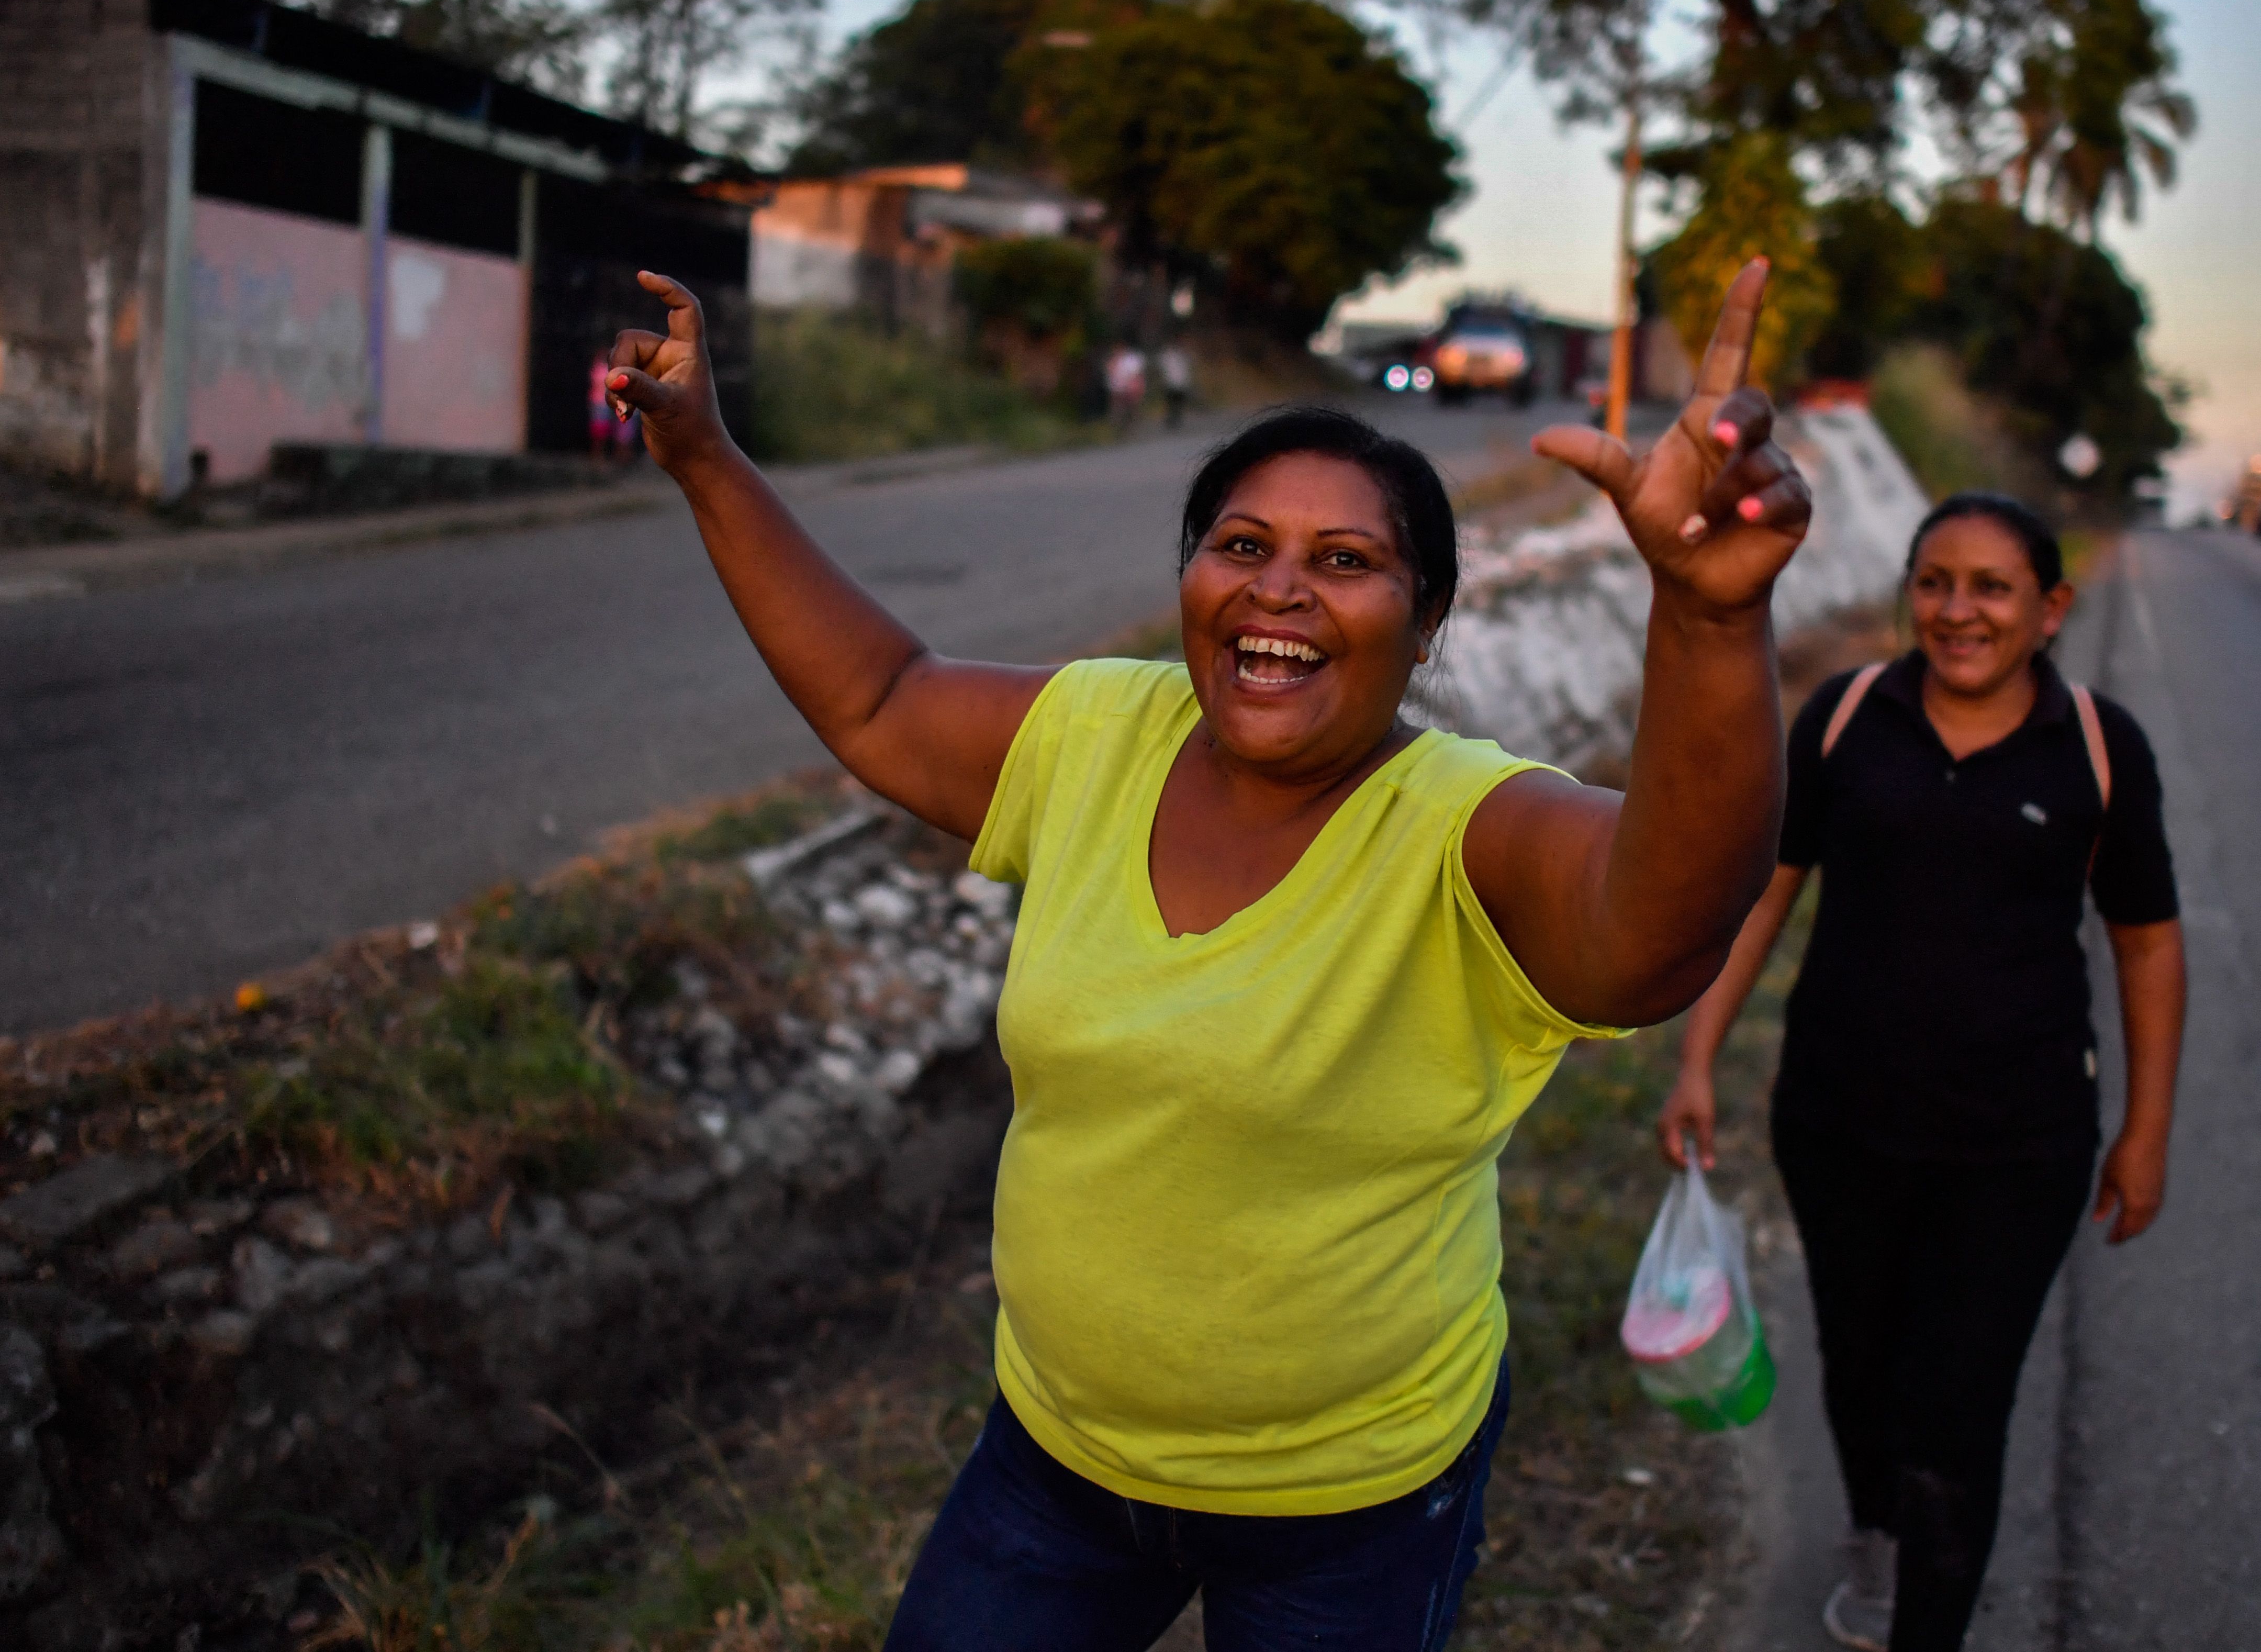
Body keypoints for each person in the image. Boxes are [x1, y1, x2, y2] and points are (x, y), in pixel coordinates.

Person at [603, 262, 1812, 1652]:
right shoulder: (1098, 734)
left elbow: (1655, 941)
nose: (1279, 592)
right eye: (1241, 545)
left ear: (1425, 633)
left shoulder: (1463, 829)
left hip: (1354, 1505)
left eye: (1345, 563)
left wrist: (1712, 620)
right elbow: (879, 699)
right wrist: (703, 459)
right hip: (1054, 1461)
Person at [1658, 491, 2187, 1652]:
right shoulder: (1848, 718)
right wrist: (1698, 1054)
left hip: (2020, 1144)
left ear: (2051, 608)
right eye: (1935, 582)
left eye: (1991, 588)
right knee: (1859, 1358)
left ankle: (1925, 1625)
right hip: (1839, 1121)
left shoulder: (2099, 747)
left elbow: (2147, 940)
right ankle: (1876, 1529)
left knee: (1958, 1401)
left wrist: (2145, 1129)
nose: (1958, 611)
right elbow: (1769, 892)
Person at [1106, 343, 1149, 433]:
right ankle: (1119, 426)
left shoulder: (1130, 360)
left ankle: (1131, 424)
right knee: (1119, 407)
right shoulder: (1114, 360)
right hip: (1117, 388)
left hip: (1129, 388)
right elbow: (1111, 372)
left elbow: (1136, 374)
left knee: (1131, 407)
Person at [1157, 341, 1193, 429]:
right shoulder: (1168, 357)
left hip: (1178, 383)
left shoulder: (1179, 356)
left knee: (1177, 403)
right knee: (1173, 403)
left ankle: (1175, 418)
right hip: (1173, 384)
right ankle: (1173, 418)